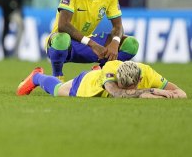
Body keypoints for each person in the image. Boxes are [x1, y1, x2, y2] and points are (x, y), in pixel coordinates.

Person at [46, 0, 139, 80]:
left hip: (87, 44)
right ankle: (57, 77)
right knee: (62, 38)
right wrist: (92, 44)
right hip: (65, 45)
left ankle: (100, 74)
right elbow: (63, 25)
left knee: (131, 44)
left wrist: (115, 42)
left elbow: (118, 26)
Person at [17, 60, 187, 98]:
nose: (128, 89)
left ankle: (98, 70)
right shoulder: (113, 67)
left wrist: (169, 93)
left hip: (100, 76)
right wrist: (153, 91)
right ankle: (37, 77)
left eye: (131, 86)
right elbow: (118, 93)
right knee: (57, 90)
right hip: (89, 84)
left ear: (140, 78)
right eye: (123, 84)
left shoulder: (149, 73)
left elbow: (182, 93)